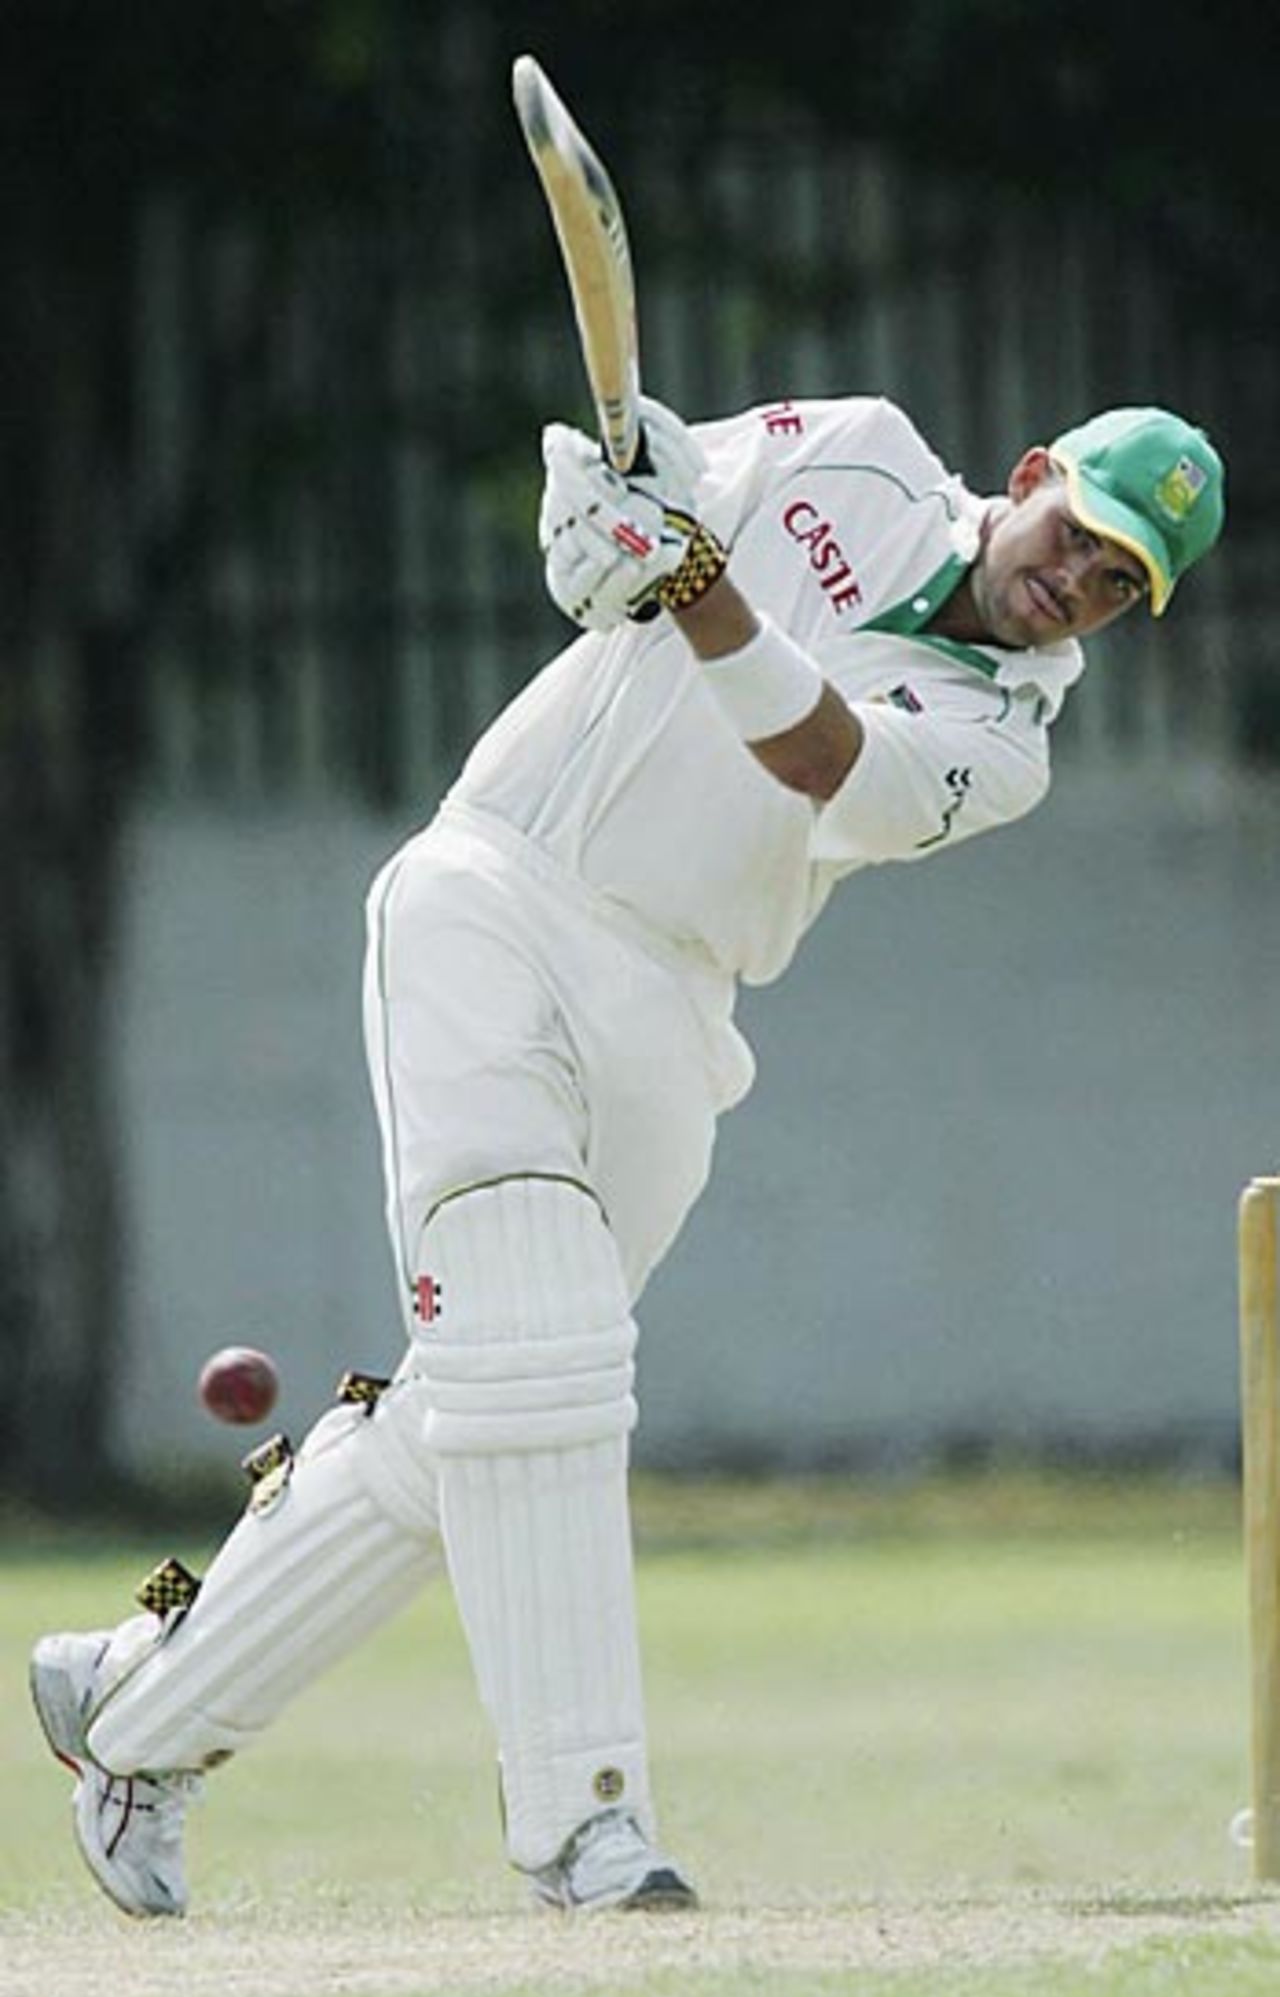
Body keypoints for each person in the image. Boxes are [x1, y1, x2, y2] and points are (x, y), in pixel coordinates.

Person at [30, 390, 1224, 1918]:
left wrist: (697, 582)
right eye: (1084, 539)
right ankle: (588, 1827)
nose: (1083, 585)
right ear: (1033, 475)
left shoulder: (1004, 743)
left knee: (481, 1409)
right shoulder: (847, 445)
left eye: (1124, 584)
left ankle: (134, 1710)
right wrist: (608, 506)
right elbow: (610, 518)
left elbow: (824, 759)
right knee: (543, 1366)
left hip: (676, 1005)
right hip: (498, 887)